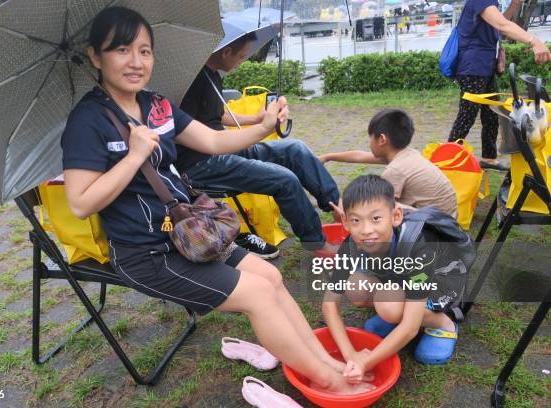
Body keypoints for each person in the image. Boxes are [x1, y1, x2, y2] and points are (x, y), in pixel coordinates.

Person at [61, 6, 359, 396]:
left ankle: (323, 359)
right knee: (257, 295)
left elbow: (215, 141)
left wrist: (265, 126)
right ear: (96, 57)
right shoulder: (86, 121)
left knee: (271, 277)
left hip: (192, 230)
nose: (136, 62)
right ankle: (329, 382)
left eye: (145, 51)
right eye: (121, 50)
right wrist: (133, 156)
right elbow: (81, 203)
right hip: (147, 253)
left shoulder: (156, 105)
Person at [176, 33, 340, 257]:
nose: (241, 61)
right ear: (226, 52)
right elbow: (190, 133)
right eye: (242, 57)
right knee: (284, 179)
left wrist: (257, 118)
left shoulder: (211, 75)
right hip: (200, 163)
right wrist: (262, 128)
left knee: (295, 149)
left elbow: (219, 114)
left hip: (222, 148)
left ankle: (336, 207)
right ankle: (316, 244)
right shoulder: (189, 82)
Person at [323, 175, 466, 381]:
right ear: (345, 222)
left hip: (443, 280)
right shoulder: (350, 245)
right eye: (356, 220)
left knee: (389, 306)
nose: (366, 230)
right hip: (405, 278)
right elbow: (329, 305)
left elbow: (410, 329)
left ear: (396, 216)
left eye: (376, 219)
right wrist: (350, 355)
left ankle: (442, 323)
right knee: (355, 287)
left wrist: (365, 362)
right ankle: (397, 314)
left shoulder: (419, 246)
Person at [448, 0, 551, 171]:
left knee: (491, 114)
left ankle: (489, 158)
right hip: (473, 67)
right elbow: (502, 25)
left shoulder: (490, 2)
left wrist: (514, 4)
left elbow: (498, 23)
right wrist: (534, 41)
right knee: (467, 116)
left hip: (486, 65)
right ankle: (447, 157)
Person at [319, 109, 457, 218]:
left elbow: (378, 208)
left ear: (382, 140)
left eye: (370, 137)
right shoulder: (407, 154)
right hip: (446, 219)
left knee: (369, 209)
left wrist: (345, 210)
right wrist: (328, 157)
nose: (369, 142)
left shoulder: (395, 170)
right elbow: (360, 156)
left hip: (434, 231)